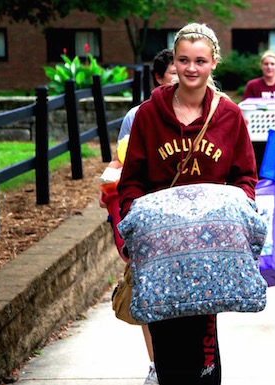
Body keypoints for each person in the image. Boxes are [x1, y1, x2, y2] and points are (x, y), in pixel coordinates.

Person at [117, 23, 257, 385]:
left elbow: (245, 178)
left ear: (213, 63)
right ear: (173, 63)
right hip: (161, 248)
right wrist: (133, 226)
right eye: (183, 60)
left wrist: (236, 212)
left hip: (209, 248)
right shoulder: (149, 115)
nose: (191, 68)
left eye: (200, 60)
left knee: (204, 344)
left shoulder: (229, 115)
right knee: (166, 339)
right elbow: (131, 180)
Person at [98, 47, 177, 385]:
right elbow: (120, 164)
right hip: (146, 218)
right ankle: (157, 363)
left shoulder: (205, 112)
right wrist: (109, 189)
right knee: (148, 293)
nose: (183, 78)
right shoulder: (138, 116)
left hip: (183, 220)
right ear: (159, 78)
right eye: (175, 71)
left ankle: (191, 363)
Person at [242, 50, 275, 173]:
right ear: (261, 66)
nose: (269, 67)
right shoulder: (252, 85)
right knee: (259, 167)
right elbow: (245, 108)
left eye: (272, 64)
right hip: (258, 132)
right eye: (266, 64)